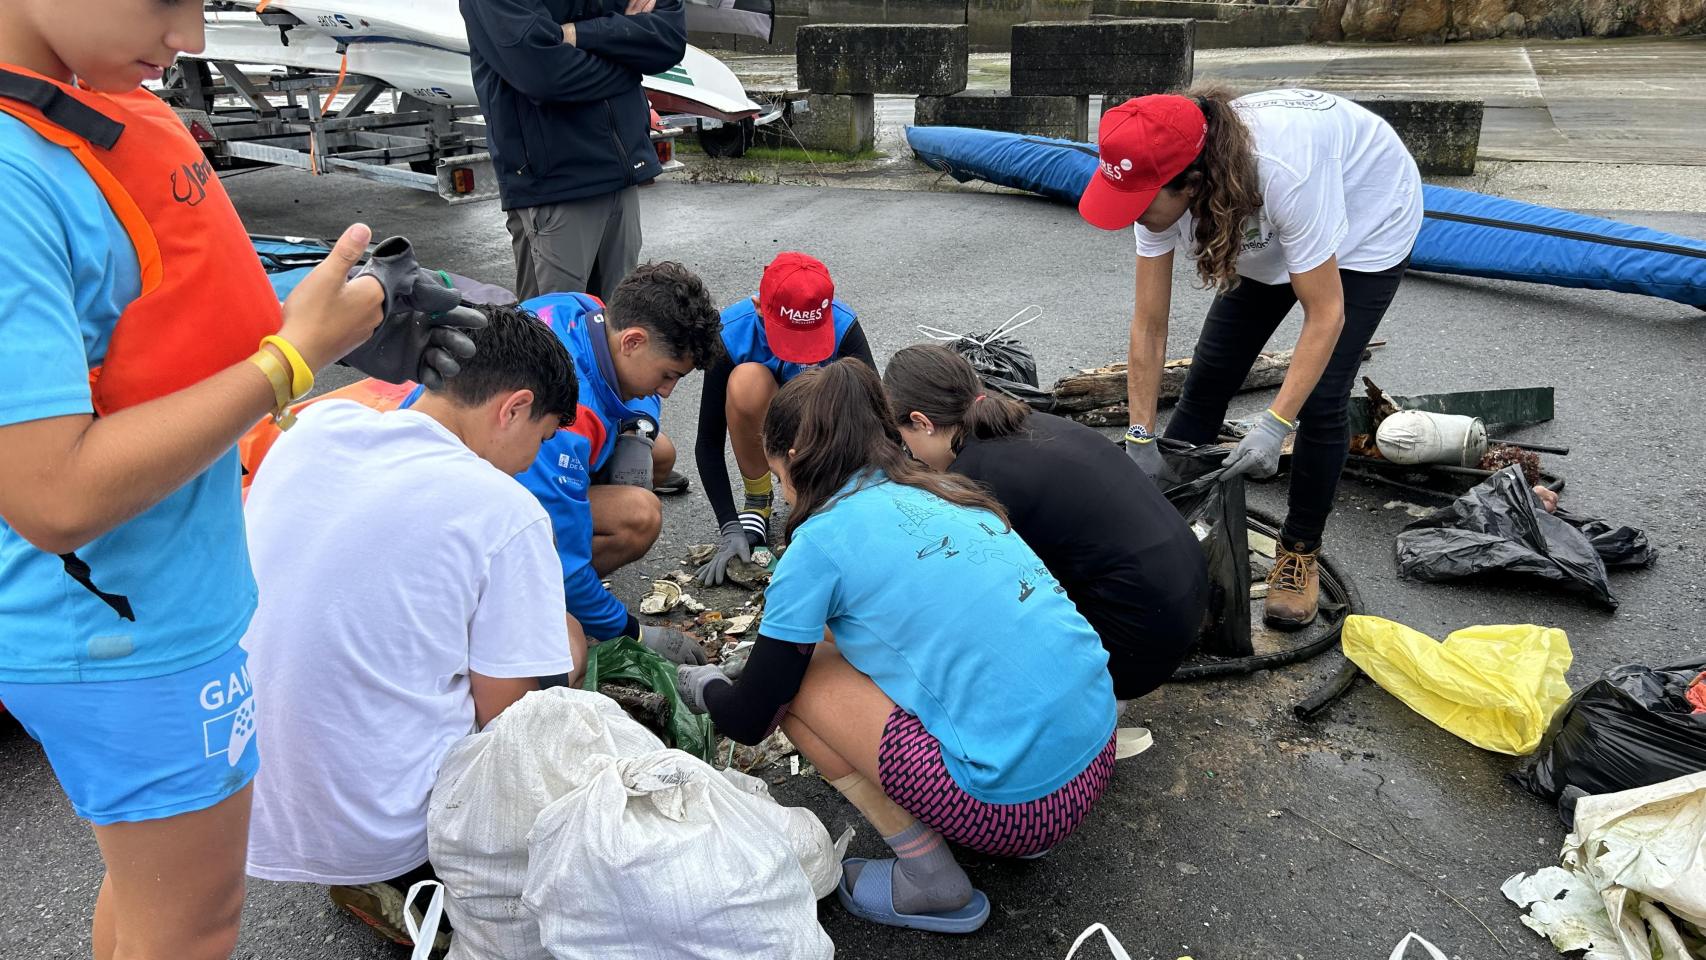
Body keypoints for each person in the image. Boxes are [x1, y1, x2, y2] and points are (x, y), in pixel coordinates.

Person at [0, 3, 420, 957]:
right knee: (192, 926)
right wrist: (287, 363)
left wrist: (310, 323)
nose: (190, 34)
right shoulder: (13, 178)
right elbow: (49, 496)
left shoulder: (73, 111)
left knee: (154, 898)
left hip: (147, 610)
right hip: (121, 634)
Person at [676, 359, 1118, 935]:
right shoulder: (948, 490)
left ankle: (931, 878)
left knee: (798, 684)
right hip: (1094, 750)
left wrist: (706, 686)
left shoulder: (818, 545)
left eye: (777, 473)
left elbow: (751, 718)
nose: (781, 492)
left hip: (1016, 808)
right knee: (850, 652)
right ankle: (1010, 829)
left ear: (797, 461)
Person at [242, 305, 583, 946]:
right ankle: (413, 879)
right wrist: (562, 657)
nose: (530, 462)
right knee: (560, 654)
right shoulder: (506, 511)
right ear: (513, 407)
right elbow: (507, 725)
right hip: (377, 827)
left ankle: (367, 875)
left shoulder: (316, 426)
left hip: (238, 798)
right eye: (539, 440)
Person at [1079, 86, 1422, 628]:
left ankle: (1299, 551)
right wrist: (1140, 434)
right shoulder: (1160, 185)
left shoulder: (1285, 172)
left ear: (1192, 184)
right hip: (1260, 216)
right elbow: (1149, 325)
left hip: (1365, 218)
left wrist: (1274, 422)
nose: (1134, 218)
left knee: (1323, 397)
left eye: (1143, 205)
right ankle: (1167, 525)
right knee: (1211, 373)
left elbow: (1325, 314)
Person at [883, 344, 1207, 703]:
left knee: (968, 632)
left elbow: (966, 596)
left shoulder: (976, 476)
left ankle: (1080, 712)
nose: (911, 454)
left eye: (906, 440)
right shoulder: (1023, 420)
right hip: (1183, 601)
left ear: (922, 423)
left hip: (1134, 651)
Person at [515, 262, 725, 661]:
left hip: (533, 454)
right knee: (639, 516)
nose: (667, 391)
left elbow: (642, 395)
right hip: (488, 491)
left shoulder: (584, 309)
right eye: (667, 375)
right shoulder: (563, 420)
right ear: (632, 341)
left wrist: (639, 431)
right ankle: (531, 603)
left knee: (659, 452)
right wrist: (633, 633)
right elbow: (567, 560)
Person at [461, 0, 686, 303]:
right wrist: (629, 64)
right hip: (556, 184)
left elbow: (668, 37)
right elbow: (544, 74)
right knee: (555, 336)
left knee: (621, 329)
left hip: (621, 175)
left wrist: (578, 34)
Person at [693, 252, 874, 585]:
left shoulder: (842, 325)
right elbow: (707, 441)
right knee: (746, 381)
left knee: (840, 384)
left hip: (820, 430)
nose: (796, 353)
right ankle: (759, 500)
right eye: (789, 336)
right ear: (759, 306)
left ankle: (820, 491)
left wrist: (865, 499)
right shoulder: (732, 332)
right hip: (763, 425)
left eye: (808, 340)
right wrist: (729, 524)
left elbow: (876, 420)